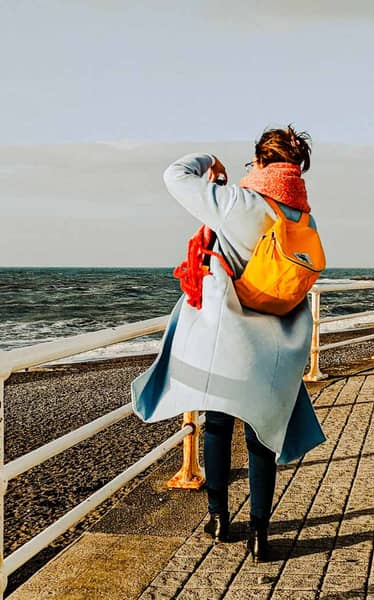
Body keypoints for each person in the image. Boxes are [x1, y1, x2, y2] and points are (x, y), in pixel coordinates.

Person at [132, 126, 325, 563]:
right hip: (277, 348)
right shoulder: (302, 218)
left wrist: (209, 162)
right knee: (263, 438)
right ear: (296, 168)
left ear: (259, 161)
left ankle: (219, 517)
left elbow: (175, 175)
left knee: (216, 425)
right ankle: (261, 534)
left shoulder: (238, 202)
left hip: (231, 343)